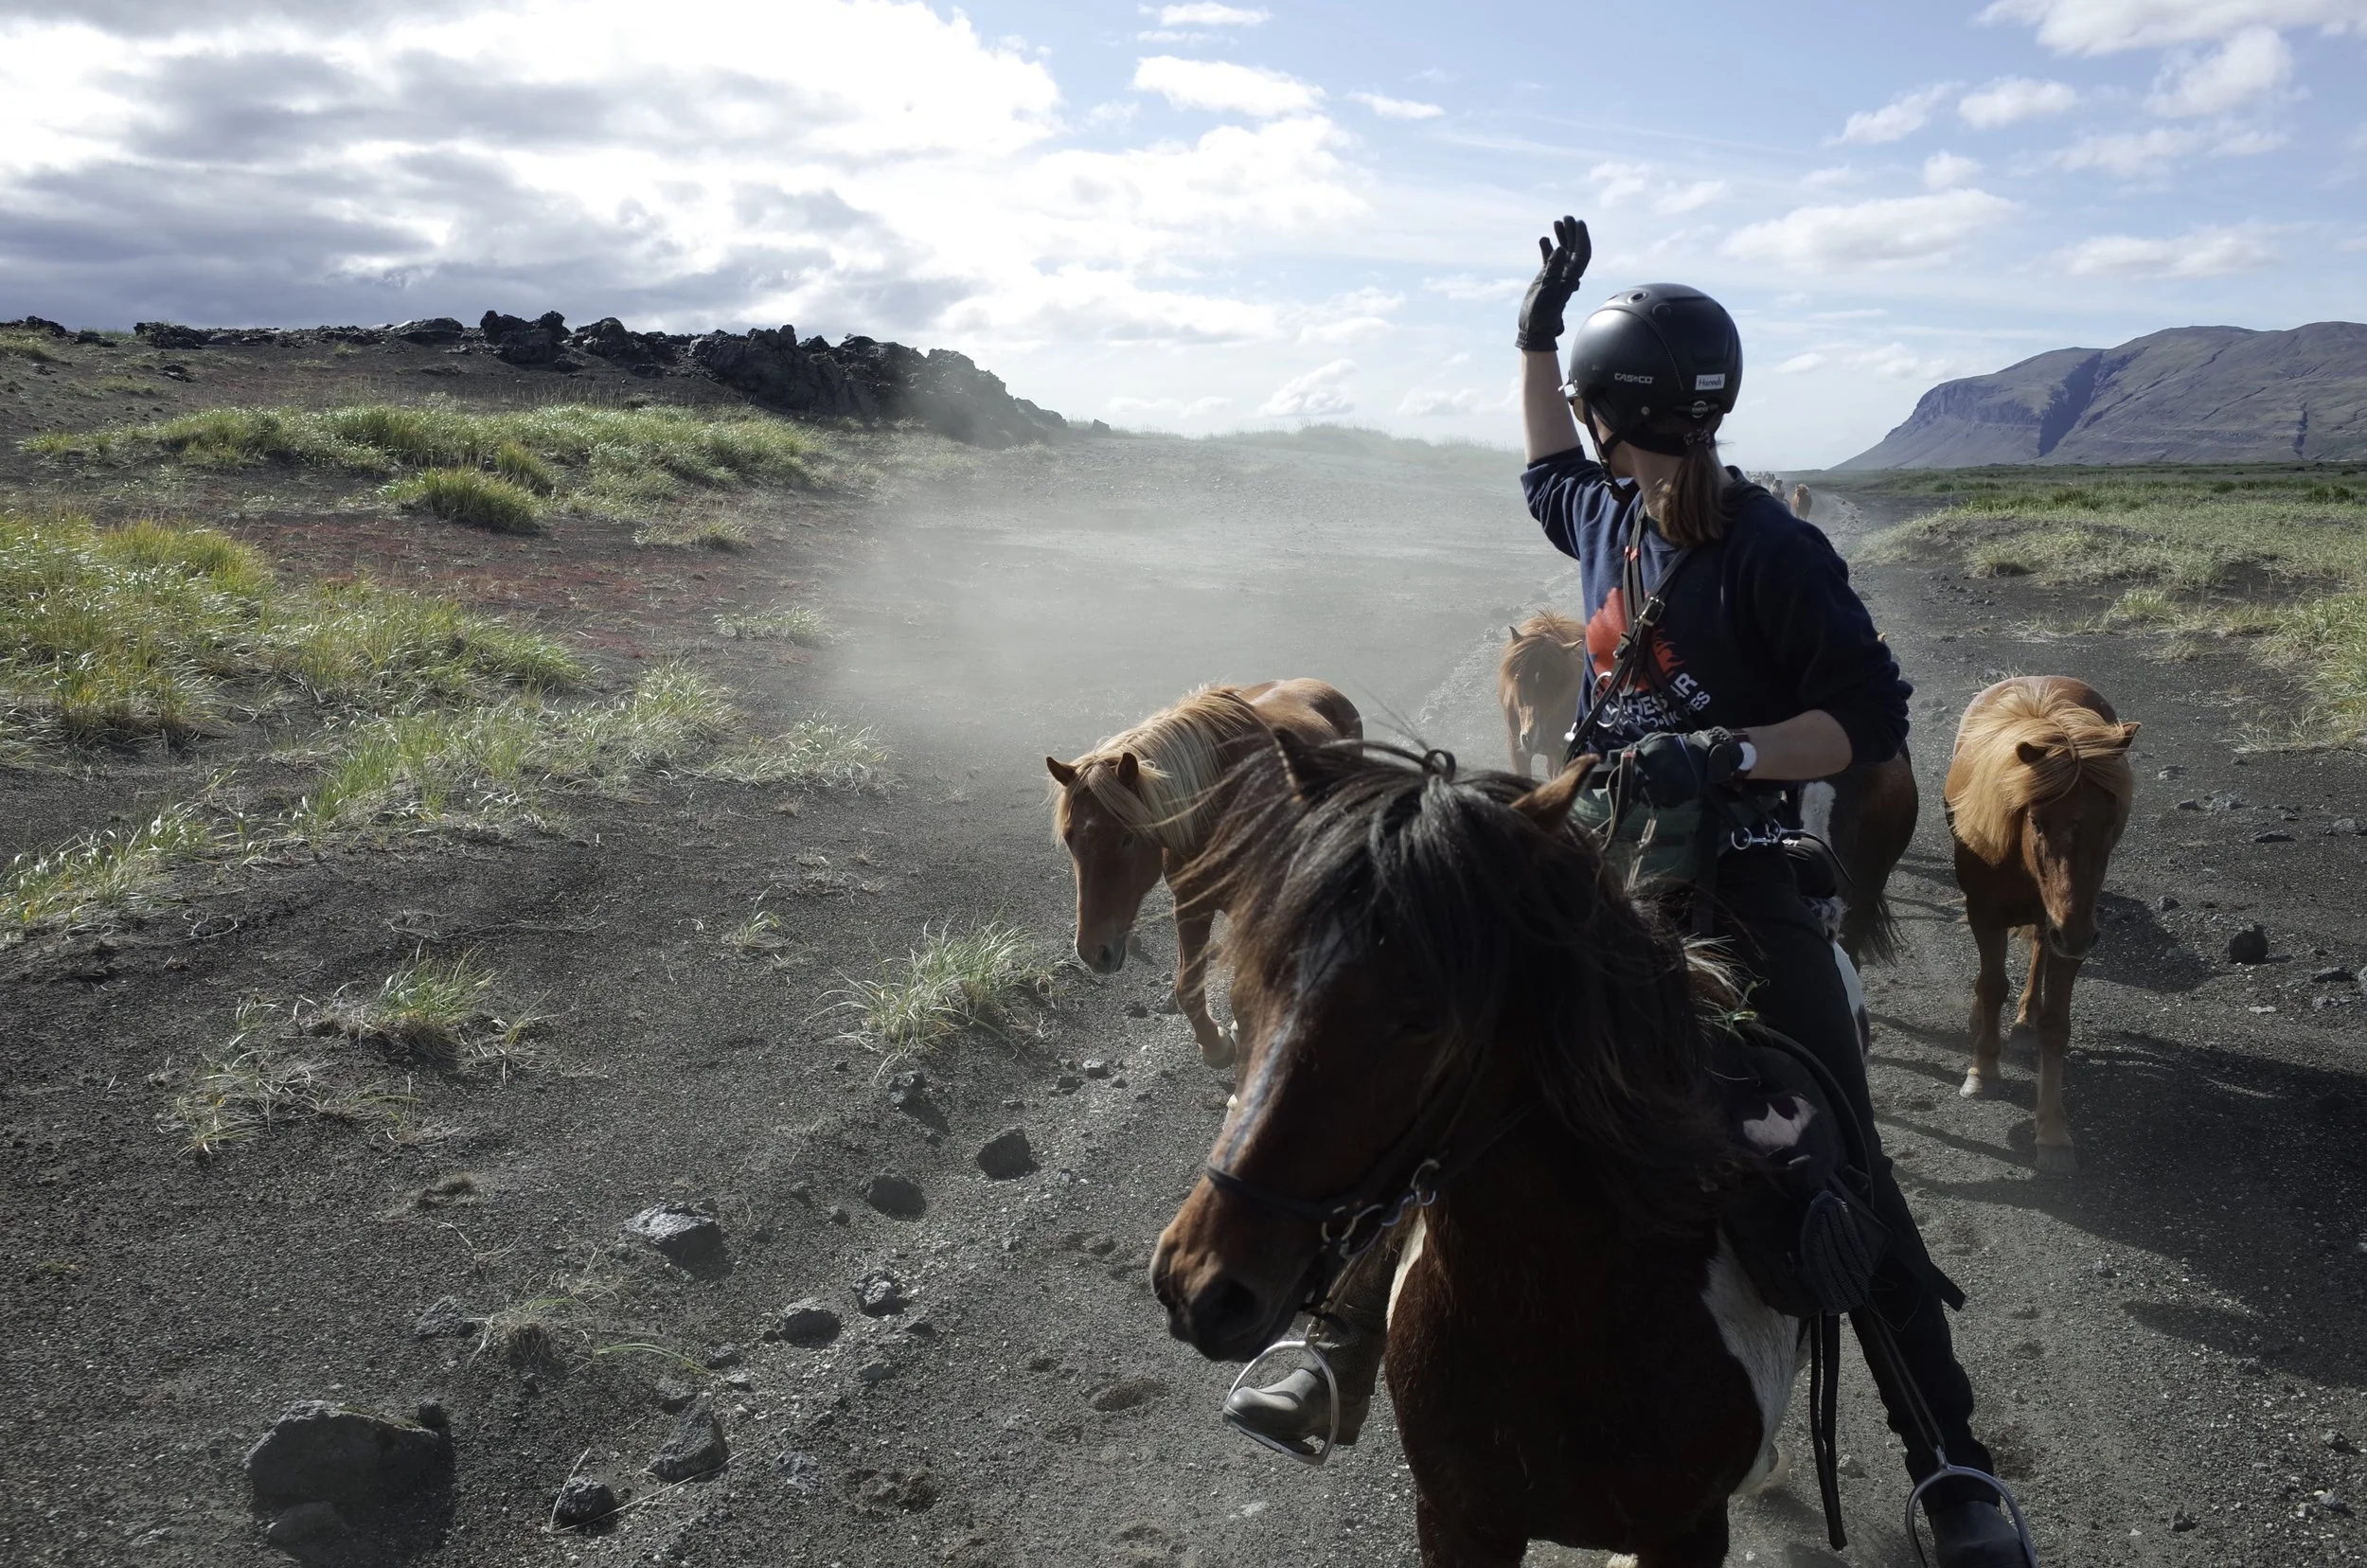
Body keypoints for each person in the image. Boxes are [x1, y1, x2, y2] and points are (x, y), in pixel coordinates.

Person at [1224, 217, 2028, 1568]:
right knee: (1436, 1043)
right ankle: (1331, 1336)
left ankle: (1948, 1457)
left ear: (1620, 414)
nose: (1576, 430)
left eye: (1587, 401)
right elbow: (1540, 454)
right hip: (1594, 851)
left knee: (1835, 1143)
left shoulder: (1774, 553)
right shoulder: (1603, 510)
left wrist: (1727, 750)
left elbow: (1864, 721)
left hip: (1742, 876)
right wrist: (1539, 328)